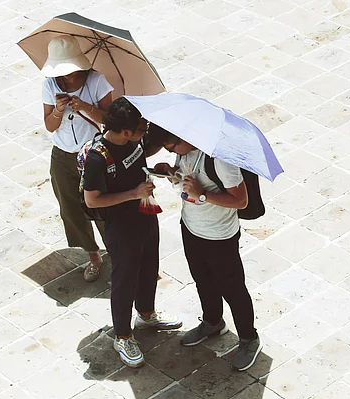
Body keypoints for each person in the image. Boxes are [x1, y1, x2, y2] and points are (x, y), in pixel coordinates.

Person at [148, 124, 262, 372]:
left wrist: (202, 196)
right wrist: (171, 172)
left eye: (171, 147)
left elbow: (240, 200)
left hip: (219, 236)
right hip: (191, 227)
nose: (171, 152)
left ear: (183, 135)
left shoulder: (220, 160)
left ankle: (249, 339)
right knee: (202, 279)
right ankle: (212, 322)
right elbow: (187, 179)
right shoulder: (184, 150)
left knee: (232, 289)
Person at [82, 98, 182, 368]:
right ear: (125, 131)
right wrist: (133, 194)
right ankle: (123, 335)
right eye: (141, 128)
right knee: (125, 278)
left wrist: (155, 171)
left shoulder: (134, 141)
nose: (145, 132)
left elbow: (136, 166)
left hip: (145, 215)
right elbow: (92, 200)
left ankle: (147, 314)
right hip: (121, 225)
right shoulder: (97, 158)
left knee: (150, 267)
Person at [42, 35, 112, 282]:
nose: (63, 78)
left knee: (102, 205)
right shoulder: (50, 85)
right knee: (71, 208)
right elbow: (50, 126)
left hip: (93, 155)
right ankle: (93, 255)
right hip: (63, 155)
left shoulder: (97, 81)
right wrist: (59, 110)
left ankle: (116, 249)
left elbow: (108, 120)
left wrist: (85, 107)